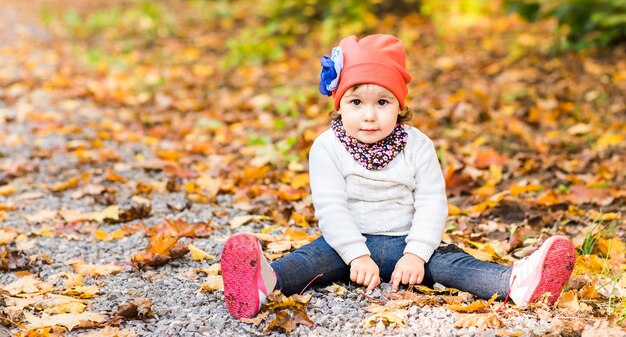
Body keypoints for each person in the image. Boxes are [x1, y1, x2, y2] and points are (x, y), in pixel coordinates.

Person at [220, 34, 576, 319]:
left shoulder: (417, 145)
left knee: (456, 266)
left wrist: (418, 254)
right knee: (310, 261)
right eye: (356, 103)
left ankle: (517, 282)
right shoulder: (327, 147)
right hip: (346, 245)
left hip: (410, 242)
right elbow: (331, 208)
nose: (369, 116)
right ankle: (263, 282)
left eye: (383, 102)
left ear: (401, 106)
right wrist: (355, 255)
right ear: (338, 105)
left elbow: (432, 202)